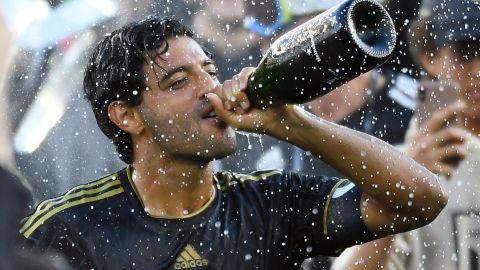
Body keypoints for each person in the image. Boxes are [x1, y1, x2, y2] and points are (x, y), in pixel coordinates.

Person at [20, 17, 447, 269]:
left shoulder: (271, 203)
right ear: (127, 116)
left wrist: (294, 124)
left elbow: (422, 199)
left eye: (209, 70)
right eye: (179, 82)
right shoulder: (70, 228)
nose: (210, 89)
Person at [331, 0, 480, 269]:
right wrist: (399, 186)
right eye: (467, 53)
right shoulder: (388, 160)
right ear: (429, 57)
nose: (479, 71)